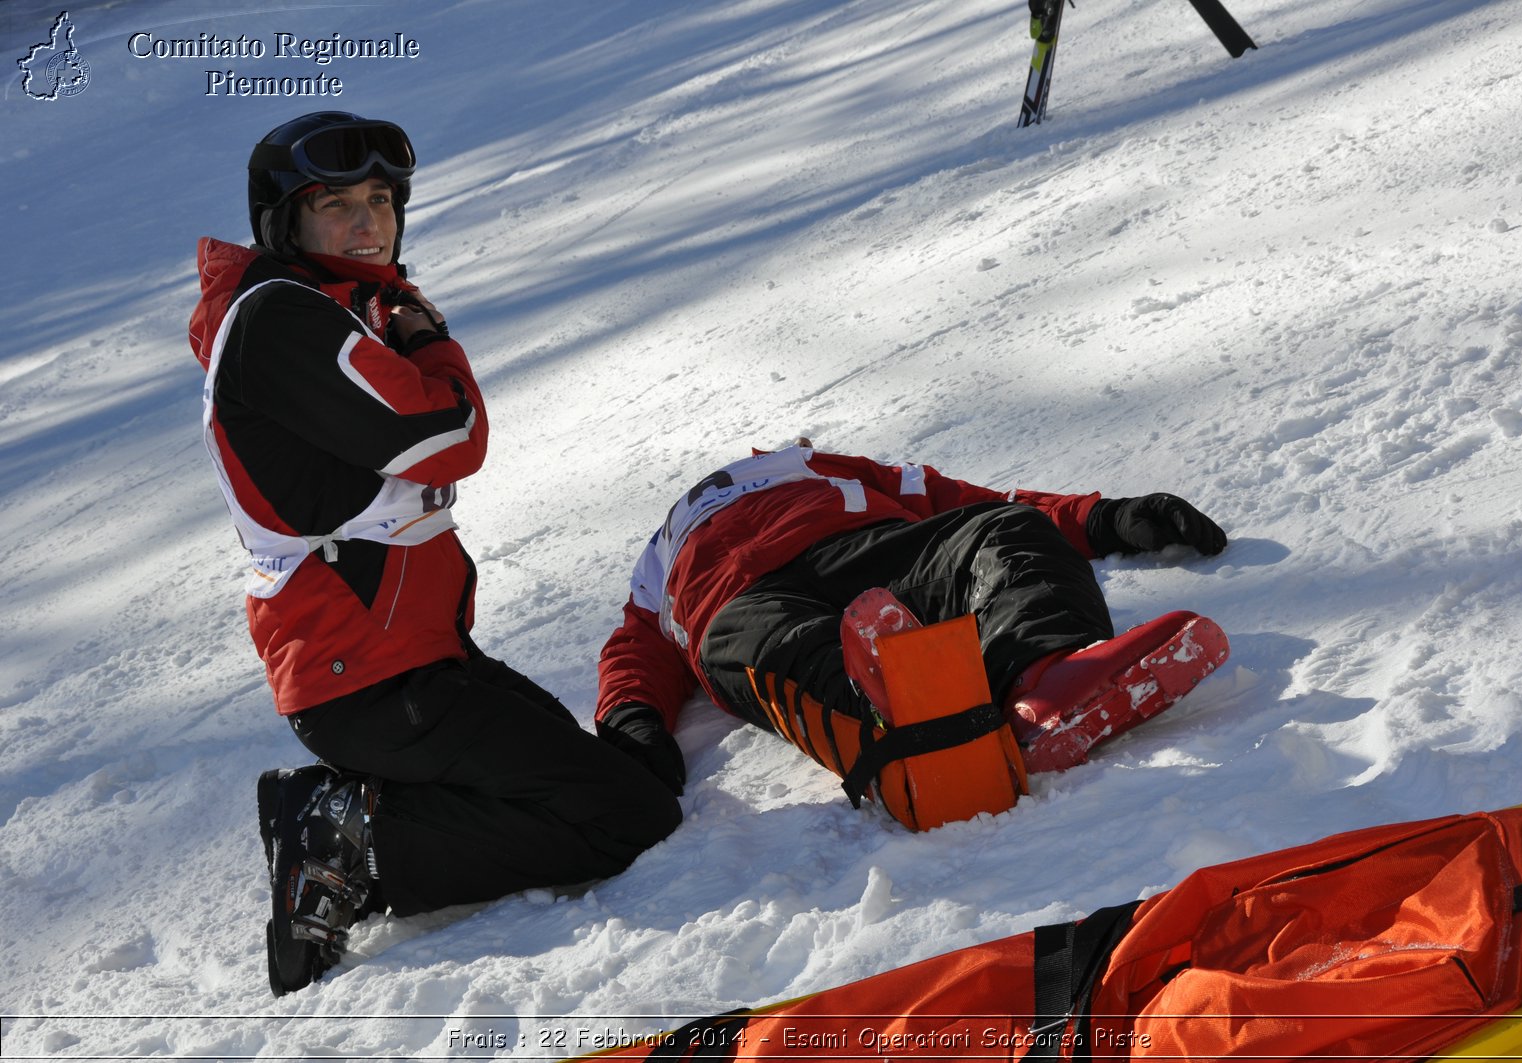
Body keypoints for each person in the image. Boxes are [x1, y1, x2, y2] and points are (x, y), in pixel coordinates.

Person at [188, 111, 682, 995]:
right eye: (335, 203)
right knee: (626, 817)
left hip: (414, 663)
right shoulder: (280, 322)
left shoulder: (324, 314)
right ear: (283, 222)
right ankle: (350, 845)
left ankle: (365, 822)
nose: (367, 220)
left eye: (380, 199)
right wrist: (426, 337)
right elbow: (447, 431)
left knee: (621, 779)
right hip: (369, 680)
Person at [593, 442, 1227, 828]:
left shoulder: (818, 467)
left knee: (1001, 531)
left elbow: (969, 499)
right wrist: (631, 723)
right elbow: (634, 650)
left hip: (876, 549)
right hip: (740, 602)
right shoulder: (661, 560)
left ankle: (1043, 683)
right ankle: (899, 736)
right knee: (775, 649)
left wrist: (1106, 518)